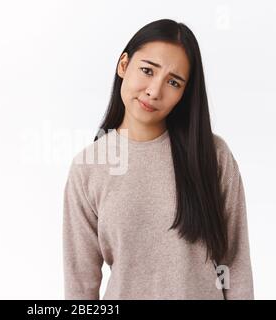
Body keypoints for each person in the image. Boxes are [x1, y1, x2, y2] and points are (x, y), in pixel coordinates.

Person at [62, 19, 254, 300]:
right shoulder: (88, 168)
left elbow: (235, 266)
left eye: (173, 82)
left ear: (184, 94)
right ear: (124, 65)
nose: (154, 90)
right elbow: (80, 287)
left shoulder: (212, 155)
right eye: (147, 70)